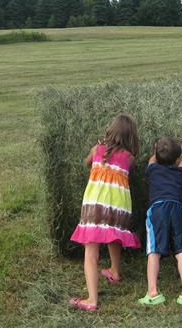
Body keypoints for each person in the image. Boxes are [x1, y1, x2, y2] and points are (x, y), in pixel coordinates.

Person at [68, 114, 141, 312]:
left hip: (95, 204)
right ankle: (115, 271)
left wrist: (96, 150)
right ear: (131, 137)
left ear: (110, 132)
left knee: (91, 251)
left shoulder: (97, 150)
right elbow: (128, 168)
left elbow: (87, 162)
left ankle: (92, 299)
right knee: (113, 235)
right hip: (118, 206)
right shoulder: (130, 158)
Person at [137, 137, 182, 307]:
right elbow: (181, 164)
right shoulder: (180, 173)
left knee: (154, 250)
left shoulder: (152, 170)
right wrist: (180, 157)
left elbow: (153, 159)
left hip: (157, 210)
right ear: (178, 159)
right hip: (176, 209)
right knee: (181, 249)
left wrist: (156, 151)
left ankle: (153, 293)